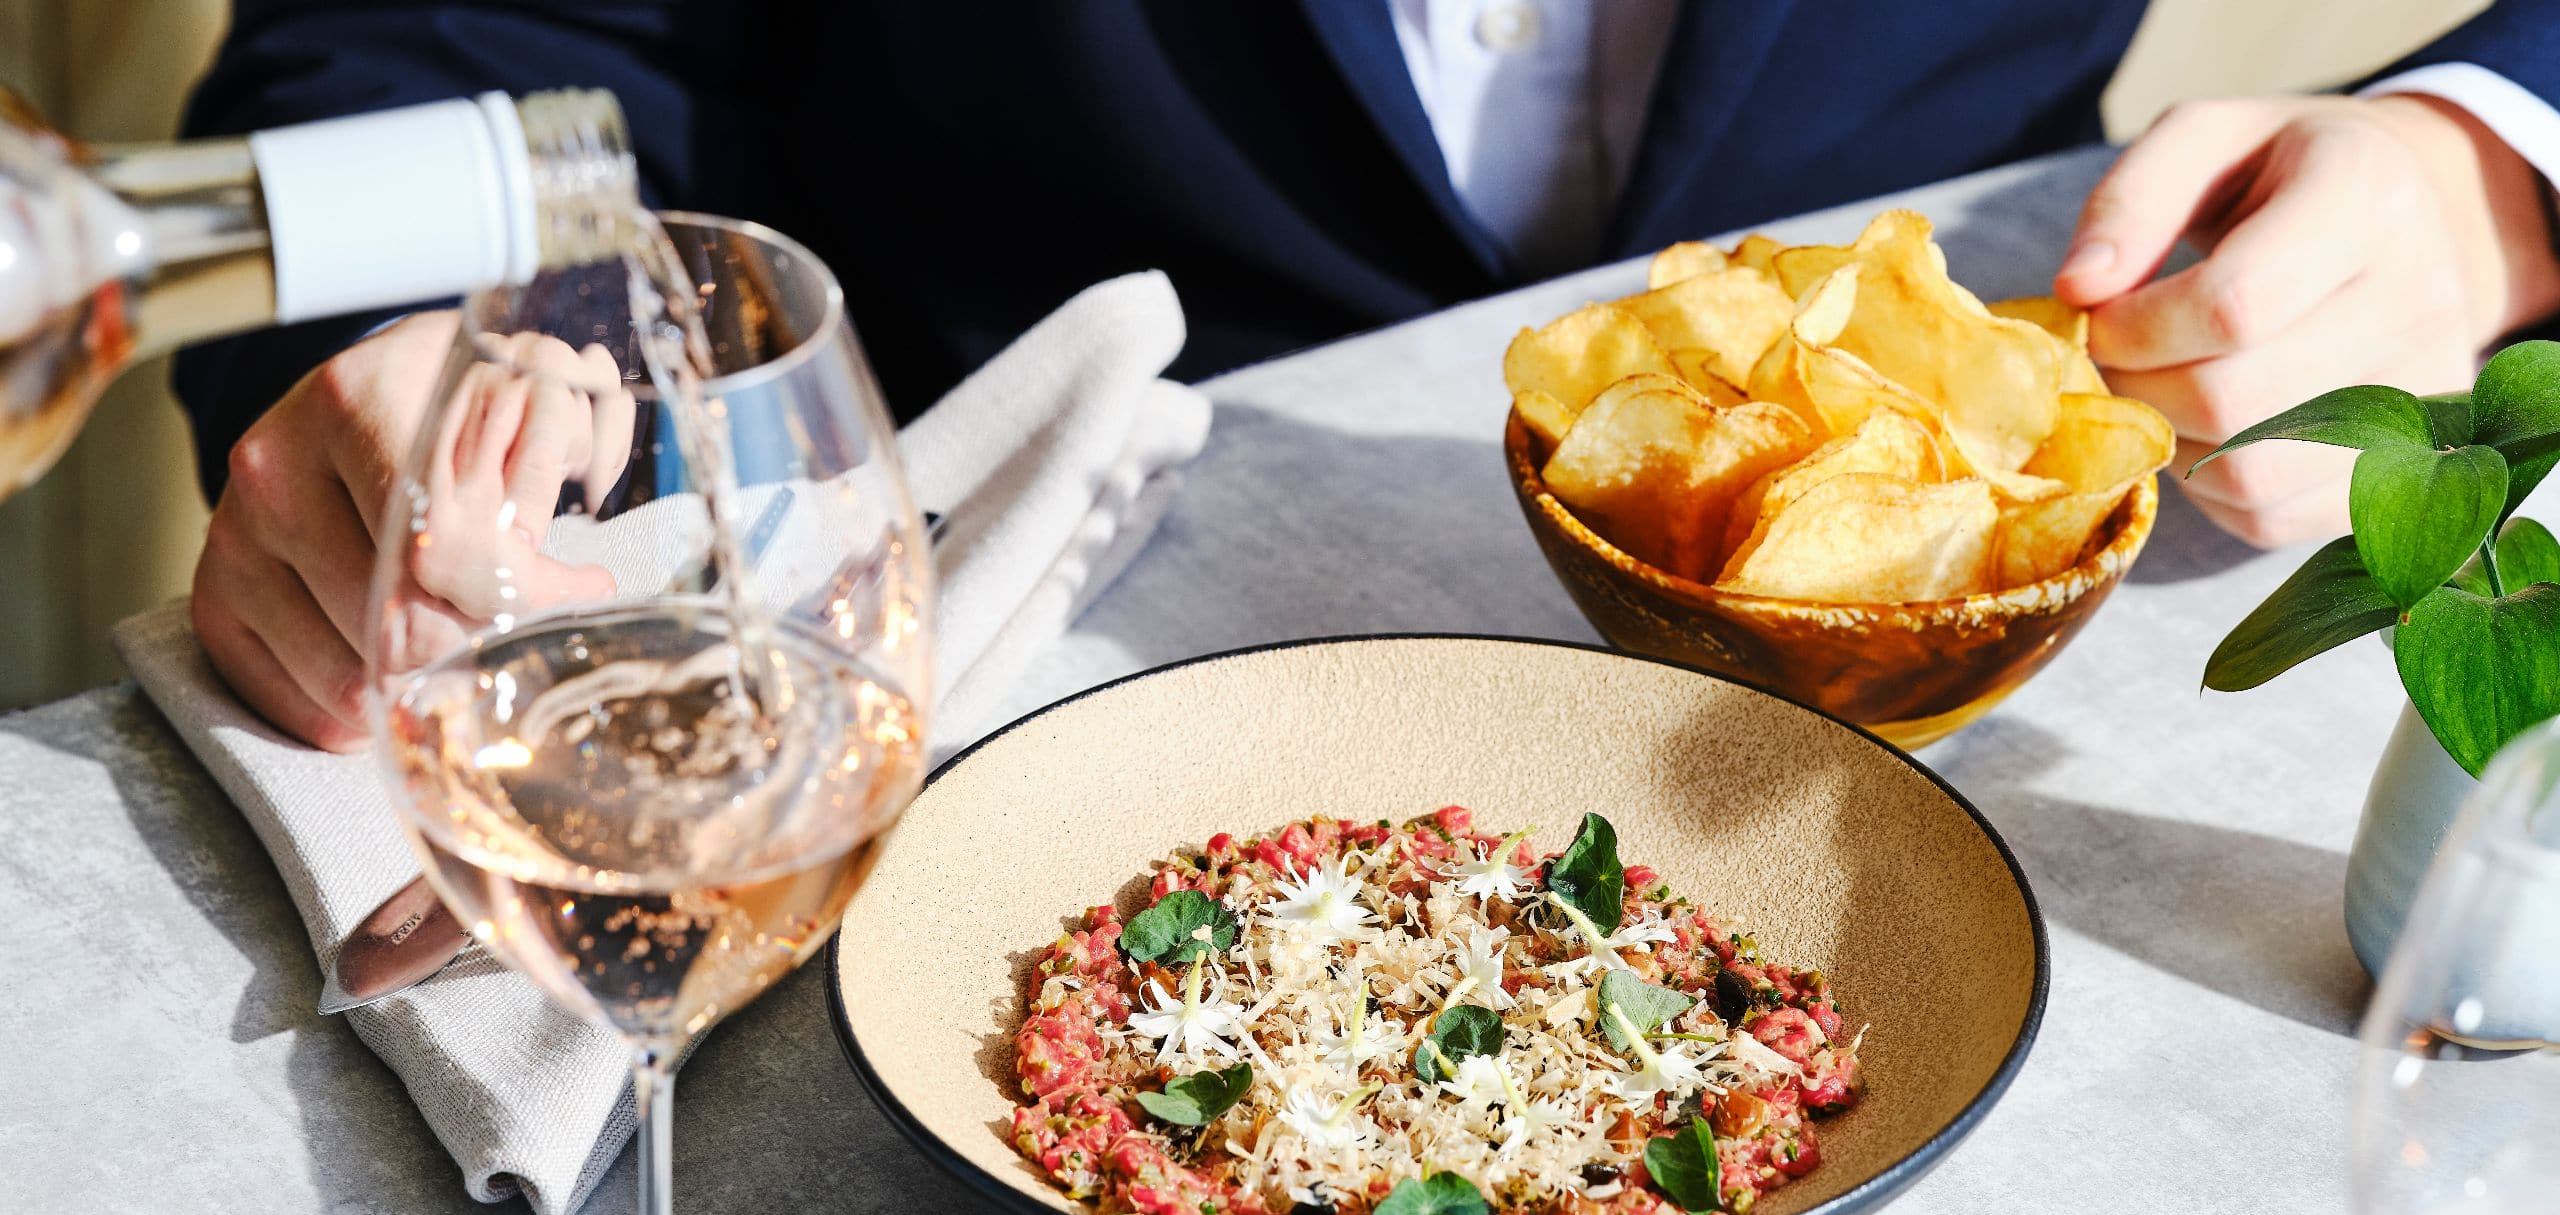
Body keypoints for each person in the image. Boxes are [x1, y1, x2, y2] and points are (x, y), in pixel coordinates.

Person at [172, 0, 2560, 750]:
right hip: (1007, 671)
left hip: (1994, 662)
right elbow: (473, 39)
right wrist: (502, 351)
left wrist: (2498, 159)